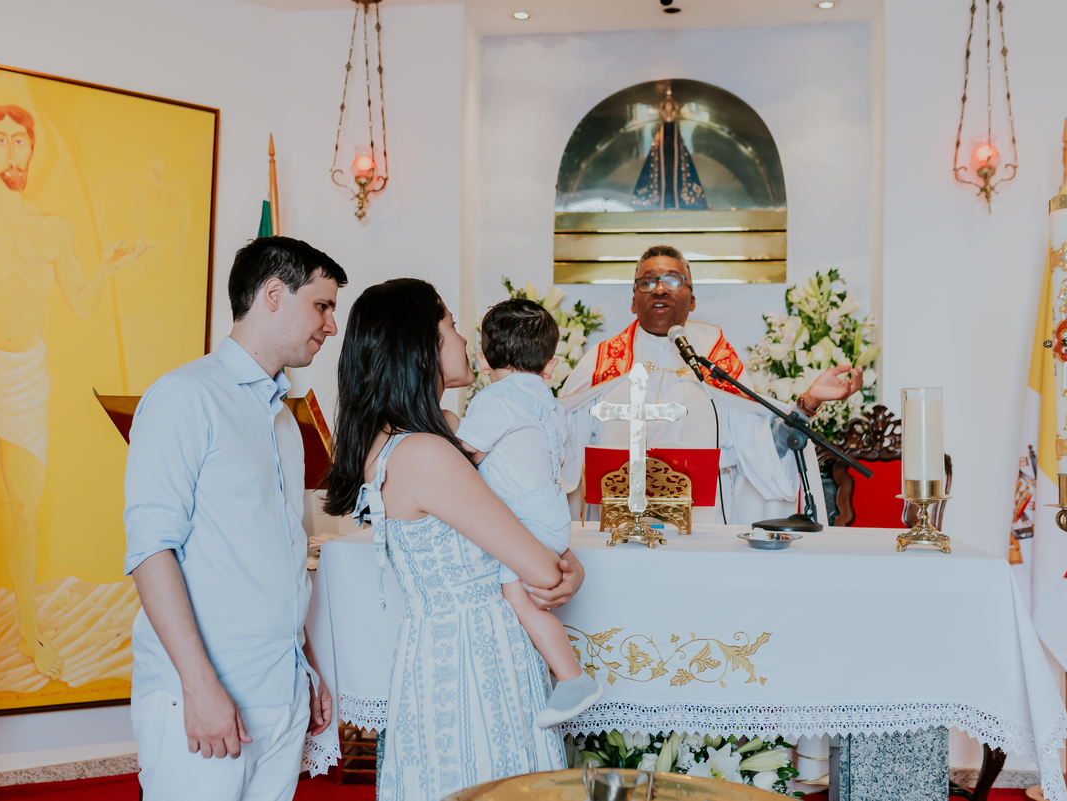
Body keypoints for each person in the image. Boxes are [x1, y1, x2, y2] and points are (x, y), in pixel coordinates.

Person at [321, 279, 584, 800]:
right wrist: (562, 565)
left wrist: (564, 557)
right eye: (452, 326)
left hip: (454, 649)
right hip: (472, 662)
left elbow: (513, 517)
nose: (465, 339)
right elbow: (537, 566)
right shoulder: (425, 453)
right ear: (422, 344)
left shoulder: (434, 432)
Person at [123, 237, 346, 801]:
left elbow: (279, 555)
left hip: (282, 691)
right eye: (322, 305)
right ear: (274, 293)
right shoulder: (183, 397)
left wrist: (307, 665)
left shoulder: (284, 424)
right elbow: (152, 549)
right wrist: (199, 687)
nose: (331, 325)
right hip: (205, 693)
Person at [0, 104, 145, 679]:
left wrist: (108, 269)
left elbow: (82, 305)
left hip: (22, 377)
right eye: (0, 141)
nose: (12, 152)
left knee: (24, 508)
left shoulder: (51, 230)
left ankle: (26, 634)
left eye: (21, 141)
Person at [559, 245, 863, 523]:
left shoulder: (714, 360)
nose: (660, 289)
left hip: (700, 527)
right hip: (617, 527)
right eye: (647, 282)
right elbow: (560, 446)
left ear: (692, 301)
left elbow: (763, 446)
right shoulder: (601, 363)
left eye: (673, 281)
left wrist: (808, 401)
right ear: (633, 301)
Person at [454, 299, 603, 729]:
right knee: (523, 593)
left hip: (522, 519)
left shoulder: (493, 400)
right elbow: (567, 466)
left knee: (517, 595)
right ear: (551, 367)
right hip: (553, 512)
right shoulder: (554, 405)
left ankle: (572, 678)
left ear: (483, 360)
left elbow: (465, 457)